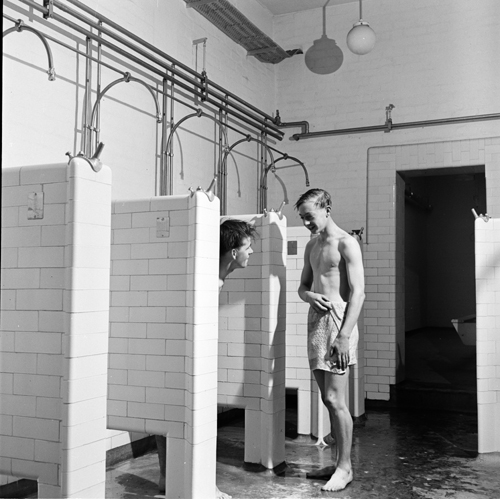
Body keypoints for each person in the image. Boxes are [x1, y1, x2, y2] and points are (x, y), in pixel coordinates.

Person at [156, 219, 257, 499]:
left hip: (172, 352)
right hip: (180, 354)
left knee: (169, 415)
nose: (252, 252)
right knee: (187, 418)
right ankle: (201, 487)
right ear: (233, 253)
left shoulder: (214, 275)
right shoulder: (209, 280)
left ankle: (168, 478)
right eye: (248, 247)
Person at [295, 188, 365, 492]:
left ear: (327, 209)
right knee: (327, 399)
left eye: (309, 217)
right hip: (317, 322)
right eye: (303, 218)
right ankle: (337, 463)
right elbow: (302, 286)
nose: (307, 223)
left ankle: (345, 468)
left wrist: (344, 335)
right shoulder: (312, 245)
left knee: (337, 400)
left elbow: (359, 293)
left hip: (340, 322)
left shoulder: (347, 243)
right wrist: (308, 295)